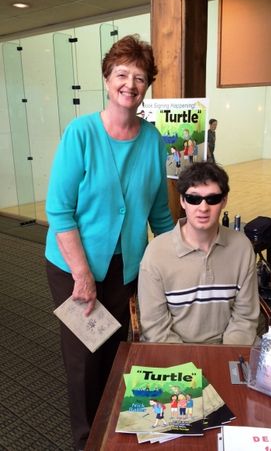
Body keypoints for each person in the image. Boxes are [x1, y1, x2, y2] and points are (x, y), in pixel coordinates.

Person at [45, 34, 174, 450]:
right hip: (73, 265)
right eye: (122, 74)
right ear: (106, 79)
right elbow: (60, 211)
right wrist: (82, 275)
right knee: (85, 357)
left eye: (139, 78)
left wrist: (180, 258)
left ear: (146, 87)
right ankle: (86, 441)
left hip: (126, 267)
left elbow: (159, 215)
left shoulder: (153, 141)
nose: (130, 85)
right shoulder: (81, 133)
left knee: (119, 351)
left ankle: (115, 432)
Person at [138, 161, 260, 345]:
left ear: (224, 200)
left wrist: (225, 358)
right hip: (174, 355)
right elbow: (155, 327)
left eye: (212, 199)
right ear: (182, 201)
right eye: (194, 199)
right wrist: (189, 368)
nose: (203, 208)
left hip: (226, 351)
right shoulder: (156, 254)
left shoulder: (242, 247)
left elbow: (245, 318)